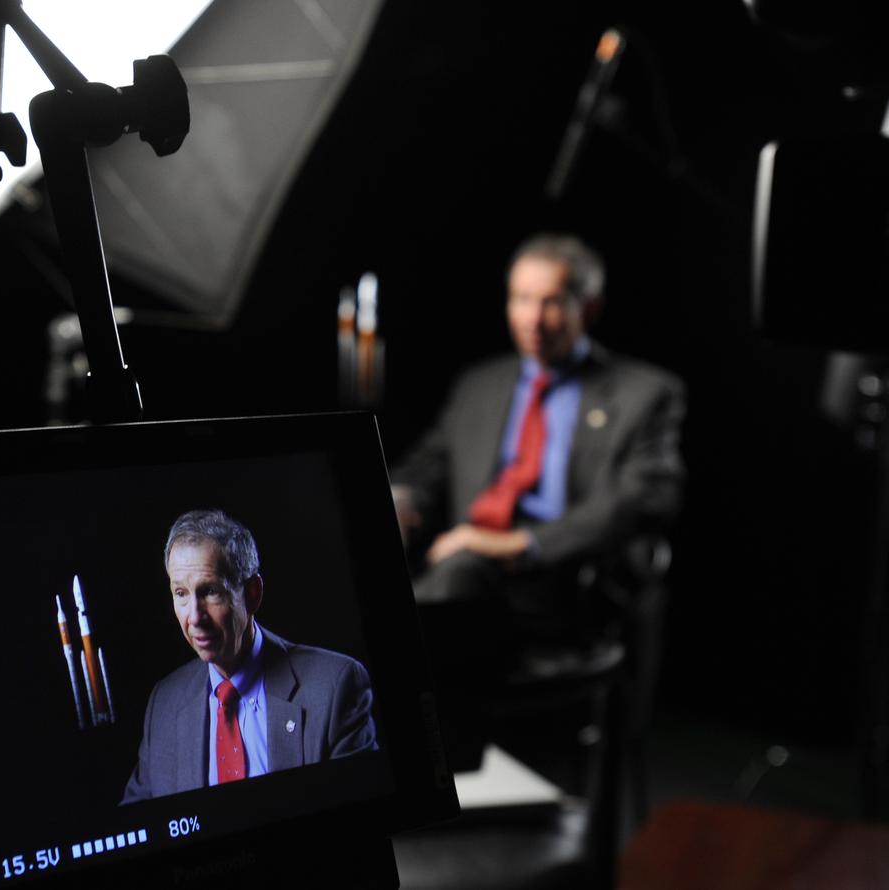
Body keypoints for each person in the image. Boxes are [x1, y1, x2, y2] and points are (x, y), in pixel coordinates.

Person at [390, 233, 684, 763]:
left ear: (588, 308)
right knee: (422, 582)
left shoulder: (646, 393)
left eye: (551, 301)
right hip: (468, 576)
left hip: (563, 582)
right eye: (521, 299)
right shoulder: (481, 384)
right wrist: (397, 498)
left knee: (444, 587)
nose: (533, 317)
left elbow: (643, 500)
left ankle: (421, 766)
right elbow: (429, 466)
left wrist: (515, 544)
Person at [121, 509, 379, 804]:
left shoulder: (334, 686)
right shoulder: (164, 704)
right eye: (181, 593)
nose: (195, 617)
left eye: (210, 592)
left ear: (253, 594)